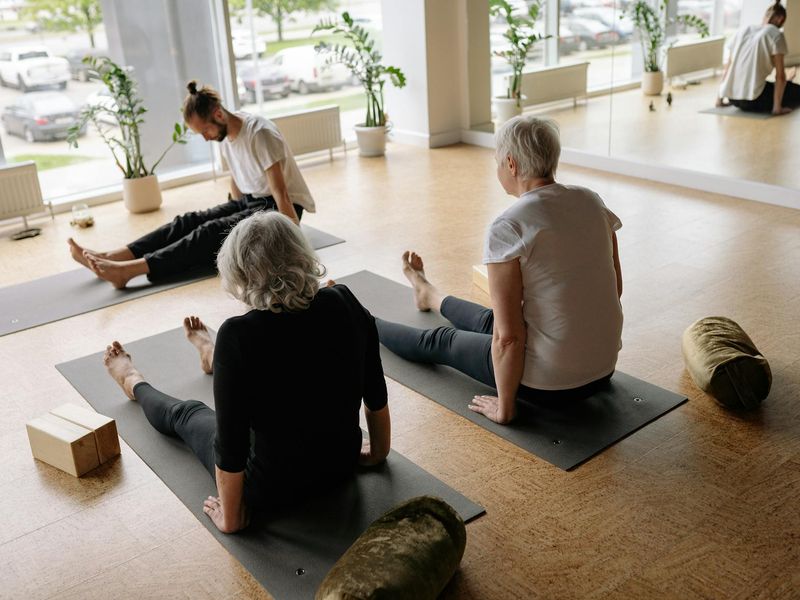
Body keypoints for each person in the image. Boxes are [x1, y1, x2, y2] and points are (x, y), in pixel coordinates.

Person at [103, 211, 391, 534]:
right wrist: (378, 451)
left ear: (242, 275)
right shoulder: (344, 301)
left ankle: (132, 381)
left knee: (187, 414)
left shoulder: (239, 335)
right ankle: (212, 356)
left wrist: (231, 516)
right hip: (340, 465)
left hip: (270, 492)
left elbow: (230, 446)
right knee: (270, 377)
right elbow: (376, 391)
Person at [375, 116, 623, 425]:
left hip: (551, 384)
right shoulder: (591, 200)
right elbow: (615, 290)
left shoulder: (509, 226)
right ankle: (430, 295)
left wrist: (506, 407)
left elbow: (508, 339)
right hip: (603, 369)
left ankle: (363, 321)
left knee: (442, 340)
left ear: (511, 164)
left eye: (497, 162)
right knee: (488, 319)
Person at [68, 80, 316, 288]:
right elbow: (238, 181)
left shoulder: (259, 133)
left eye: (205, 131)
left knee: (208, 232)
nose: (206, 138)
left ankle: (128, 271)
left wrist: (295, 245)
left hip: (281, 210)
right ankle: (114, 256)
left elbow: (280, 192)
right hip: (253, 202)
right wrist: (232, 211)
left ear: (218, 114)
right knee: (188, 221)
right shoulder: (227, 135)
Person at [717, 1, 799, 115]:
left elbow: (727, 69)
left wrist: (719, 99)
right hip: (756, 100)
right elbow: (780, 76)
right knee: (795, 90)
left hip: (733, 99)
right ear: (780, 19)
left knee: (777, 85)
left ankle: (719, 99)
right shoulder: (775, 34)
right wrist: (777, 108)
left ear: (765, 16)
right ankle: (777, 106)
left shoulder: (742, 30)